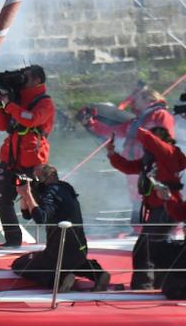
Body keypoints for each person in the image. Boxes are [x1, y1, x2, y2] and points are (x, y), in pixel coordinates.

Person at [81, 87, 175, 226]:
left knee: (154, 194)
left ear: (149, 99)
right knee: (138, 196)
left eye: (137, 100)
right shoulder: (136, 121)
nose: (134, 104)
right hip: (137, 163)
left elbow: (166, 139)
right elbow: (113, 131)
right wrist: (92, 124)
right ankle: (139, 227)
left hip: (153, 164)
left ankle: (160, 227)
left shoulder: (160, 114)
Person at [106, 127, 186, 289]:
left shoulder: (168, 152)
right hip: (159, 208)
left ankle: (145, 284)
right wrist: (112, 154)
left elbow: (151, 141)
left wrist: (136, 128)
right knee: (153, 246)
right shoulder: (152, 159)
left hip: (167, 207)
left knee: (147, 247)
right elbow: (128, 167)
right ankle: (158, 282)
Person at [12, 164, 109, 293]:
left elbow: (41, 218)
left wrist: (28, 194)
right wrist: (25, 194)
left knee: (19, 265)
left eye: (39, 178)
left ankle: (61, 279)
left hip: (57, 253)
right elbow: (27, 214)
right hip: (80, 250)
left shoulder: (51, 192)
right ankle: (98, 274)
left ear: (51, 177)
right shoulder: (66, 188)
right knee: (73, 262)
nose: (37, 182)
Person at [0, 65, 54, 247]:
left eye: (25, 77)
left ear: (37, 80)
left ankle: (57, 238)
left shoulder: (45, 103)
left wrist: (9, 105)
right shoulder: (15, 100)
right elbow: (3, 125)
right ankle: (13, 240)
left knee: (42, 207)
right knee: (1, 200)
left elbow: (31, 119)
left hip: (34, 163)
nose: (21, 80)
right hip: (10, 160)